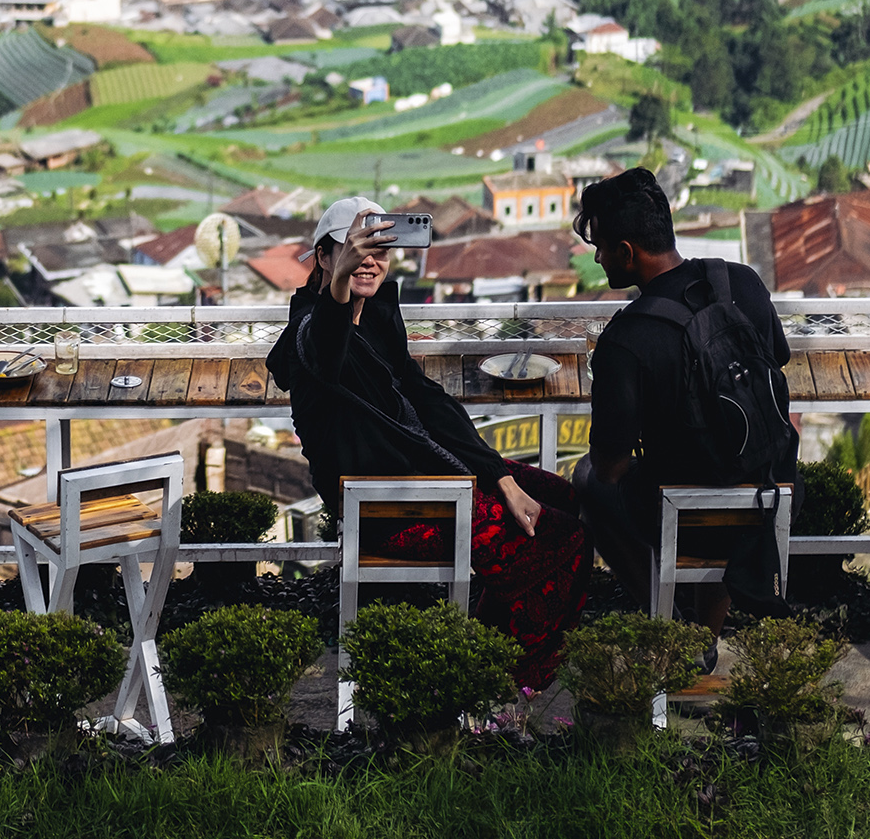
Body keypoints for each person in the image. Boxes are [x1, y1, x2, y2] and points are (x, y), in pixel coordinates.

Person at [267, 196, 594, 686]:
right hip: (385, 505)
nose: (368, 260)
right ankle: (500, 684)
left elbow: (428, 401)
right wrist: (339, 286)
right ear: (324, 258)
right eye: (354, 249)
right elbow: (325, 349)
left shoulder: (377, 318)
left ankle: (489, 657)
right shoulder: (309, 329)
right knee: (561, 536)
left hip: (423, 479)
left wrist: (499, 476)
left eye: (380, 249)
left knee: (566, 498)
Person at [570, 167, 797, 630]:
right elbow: (779, 356)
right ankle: (705, 632)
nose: (597, 259)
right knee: (713, 475)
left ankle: (671, 625)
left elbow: (611, 466)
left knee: (588, 479)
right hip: (772, 498)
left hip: (688, 517)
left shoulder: (626, 338)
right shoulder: (743, 284)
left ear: (627, 253)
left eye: (601, 247)